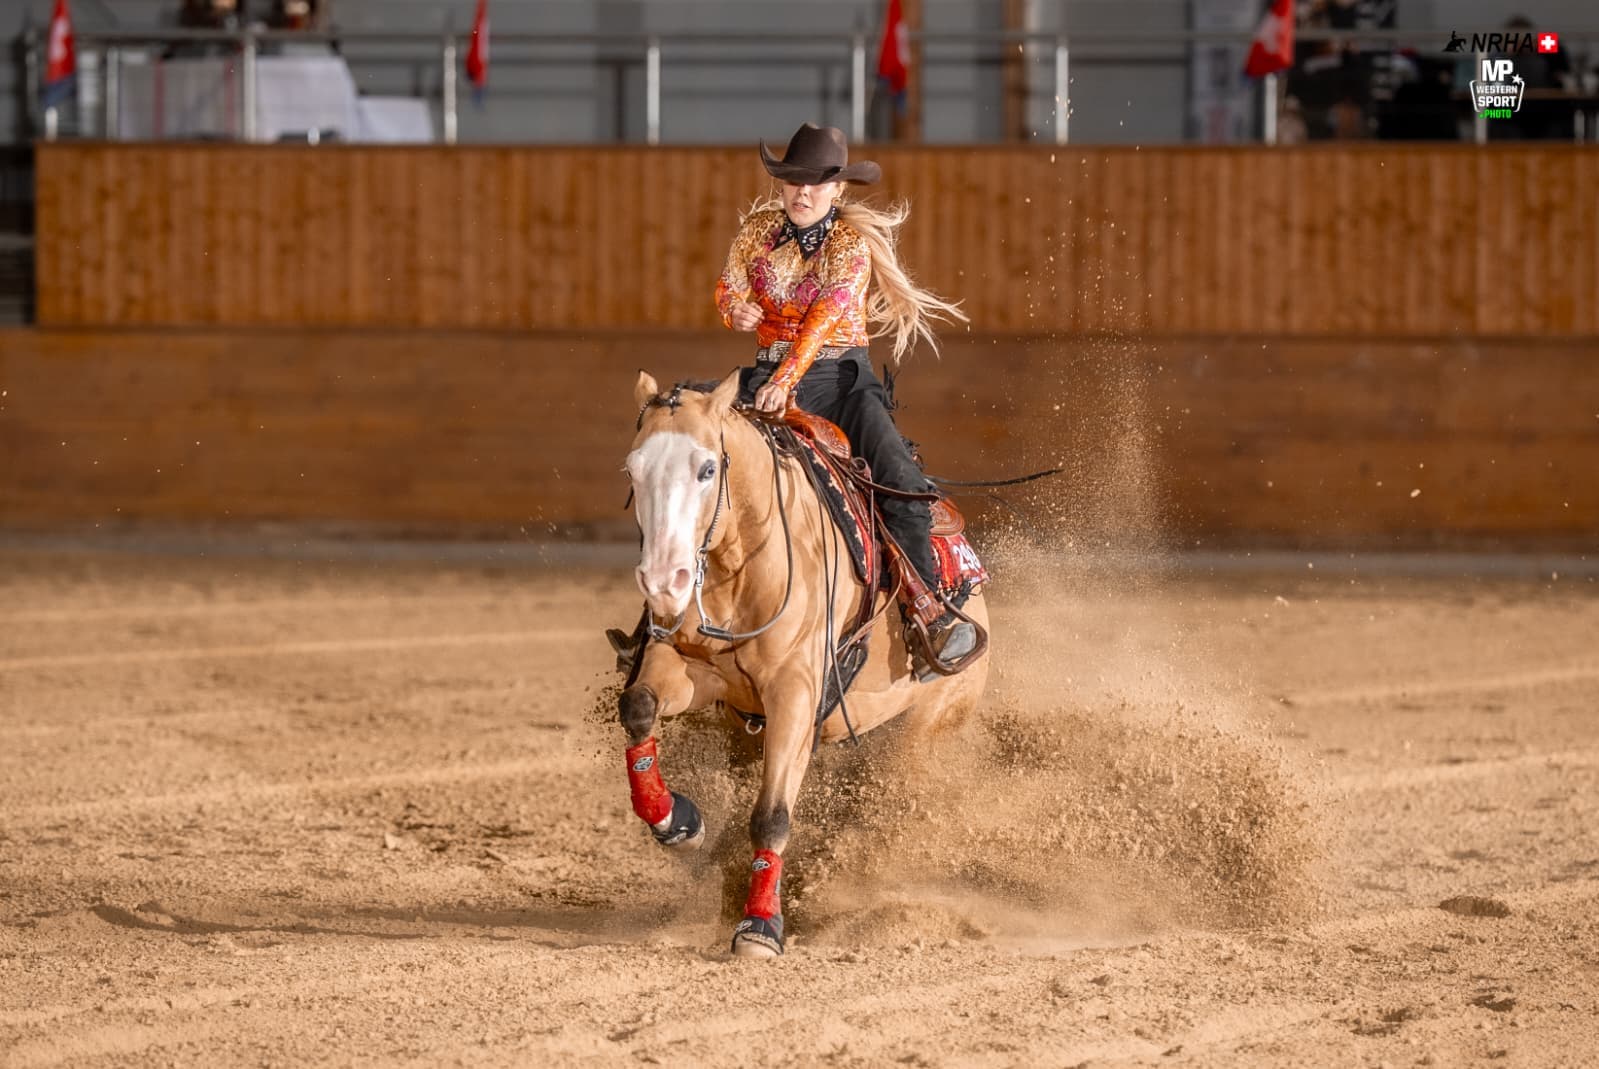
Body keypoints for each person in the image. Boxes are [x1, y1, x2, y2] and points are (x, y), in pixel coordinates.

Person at [713, 122, 976, 673]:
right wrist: (733, 310)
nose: (802, 191)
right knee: (692, 458)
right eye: (793, 180)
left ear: (837, 189)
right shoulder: (756, 230)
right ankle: (664, 623)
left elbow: (822, 322)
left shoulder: (850, 246)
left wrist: (785, 381)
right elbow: (728, 284)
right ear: (781, 184)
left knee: (899, 481)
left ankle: (928, 611)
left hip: (840, 384)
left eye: (815, 182)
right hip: (767, 375)